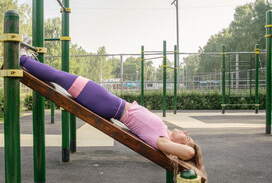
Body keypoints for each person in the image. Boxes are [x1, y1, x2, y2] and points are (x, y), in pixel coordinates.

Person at [20, 37, 205, 169]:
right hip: (109, 103)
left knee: (59, 76)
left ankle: (22, 58)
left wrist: (192, 151)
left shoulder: (162, 141)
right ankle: (26, 59)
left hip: (107, 104)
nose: (186, 133)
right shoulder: (163, 133)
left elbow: (189, 154)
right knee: (60, 77)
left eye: (187, 139)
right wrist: (187, 146)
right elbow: (186, 151)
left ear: (179, 149)